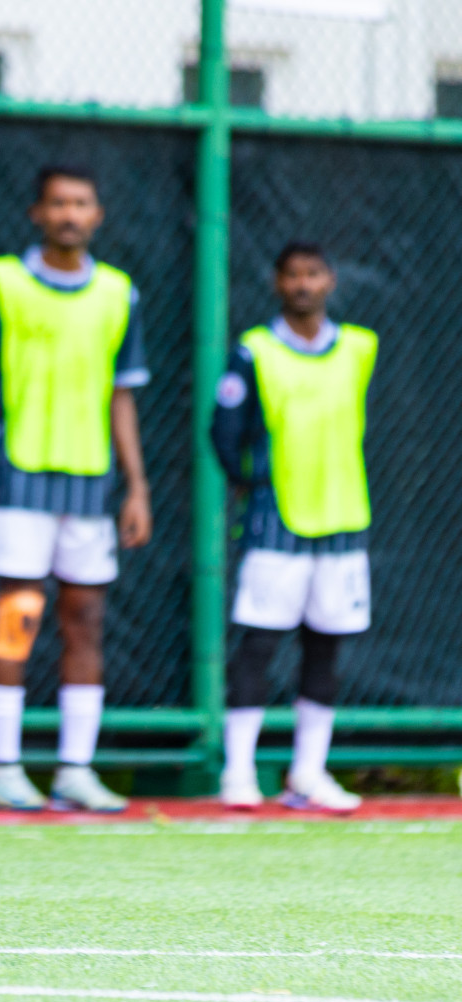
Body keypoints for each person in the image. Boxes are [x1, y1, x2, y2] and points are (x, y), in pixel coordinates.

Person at [0, 164, 152, 813]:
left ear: (97, 215)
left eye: (82, 203)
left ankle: (75, 771)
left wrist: (137, 486)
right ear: (38, 212)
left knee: (86, 621)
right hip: (16, 479)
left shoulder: (120, 292)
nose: (70, 213)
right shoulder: (2, 281)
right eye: (59, 203)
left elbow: (124, 396)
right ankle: (3, 771)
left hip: (93, 485)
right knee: (18, 616)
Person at [211, 242, 371, 813]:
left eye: (313, 273)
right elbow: (223, 428)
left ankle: (309, 773)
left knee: (325, 651)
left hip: (345, 522)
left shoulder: (359, 347)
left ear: (330, 279)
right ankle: (238, 772)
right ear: (278, 282)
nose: (303, 284)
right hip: (274, 523)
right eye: (293, 275)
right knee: (258, 646)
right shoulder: (254, 351)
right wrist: (245, 480)